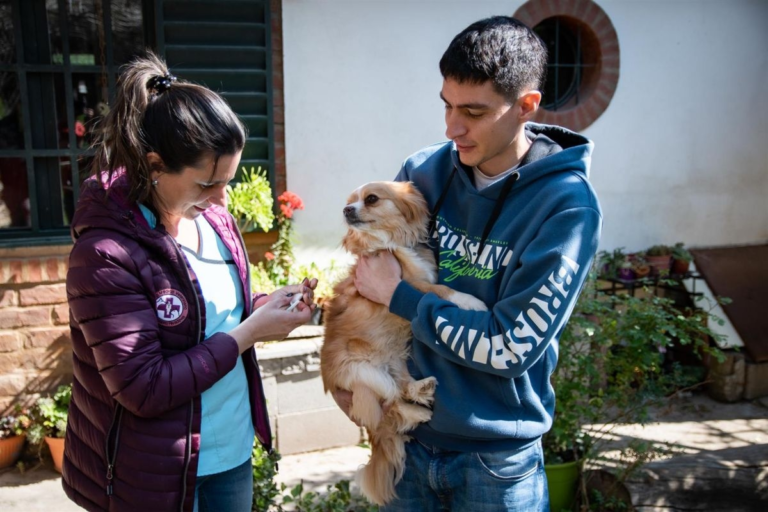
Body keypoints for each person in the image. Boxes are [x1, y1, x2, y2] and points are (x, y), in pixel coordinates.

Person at [334, 16, 602, 511]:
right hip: (409, 440)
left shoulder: (565, 207)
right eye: (447, 106)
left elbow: (509, 347)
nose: (452, 127)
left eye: (473, 112)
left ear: (526, 107)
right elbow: (365, 279)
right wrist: (346, 383)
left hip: (495, 465)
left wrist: (404, 297)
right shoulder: (424, 173)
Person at [62, 52, 317, 512]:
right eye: (207, 185)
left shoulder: (214, 220)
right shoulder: (104, 255)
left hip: (230, 452)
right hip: (153, 472)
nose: (223, 198)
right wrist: (249, 333)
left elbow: (215, 313)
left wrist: (266, 306)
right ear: (156, 165)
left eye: (228, 181)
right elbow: (144, 386)